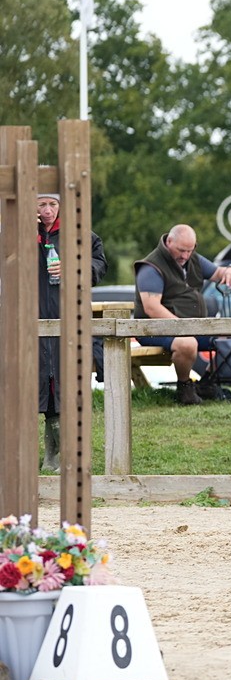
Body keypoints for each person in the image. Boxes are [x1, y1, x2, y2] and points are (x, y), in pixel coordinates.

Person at [37, 191, 108, 472]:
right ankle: (51, 452)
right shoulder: (18, 233)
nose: (47, 210)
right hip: (33, 315)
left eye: (53, 204)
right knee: (43, 381)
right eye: (41, 204)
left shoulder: (80, 234)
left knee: (67, 381)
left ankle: (65, 453)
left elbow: (99, 264)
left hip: (70, 316)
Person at [134, 224, 231, 405]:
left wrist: (230, 270)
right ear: (169, 242)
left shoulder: (193, 260)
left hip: (190, 327)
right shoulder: (151, 267)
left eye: (189, 250)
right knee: (188, 343)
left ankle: (206, 382)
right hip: (153, 330)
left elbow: (217, 273)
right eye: (181, 250)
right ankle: (184, 387)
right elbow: (152, 308)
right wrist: (184, 329)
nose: (185, 256)